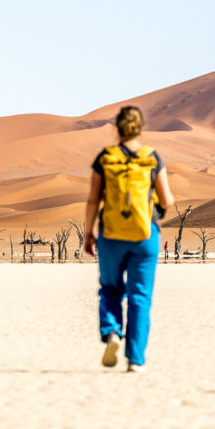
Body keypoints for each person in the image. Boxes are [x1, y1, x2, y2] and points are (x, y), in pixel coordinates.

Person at [83, 105, 174, 373]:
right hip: (145, 235)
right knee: (140, 297)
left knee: (110, 289)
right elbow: (167, 199)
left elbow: (93, 199)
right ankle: (135, 360)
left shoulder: (106, 157)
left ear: (117, 128)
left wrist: (89, 233)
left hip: (111, 235)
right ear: (140, 127)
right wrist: (157, 212)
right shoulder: (152, 157)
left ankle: (111, 332)